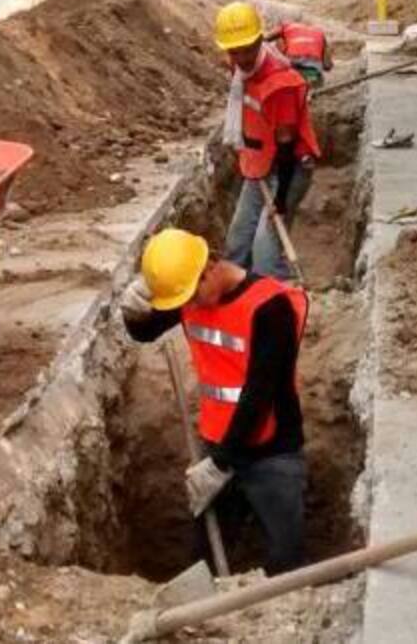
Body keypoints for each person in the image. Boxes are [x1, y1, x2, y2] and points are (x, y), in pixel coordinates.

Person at [120, 228, 309, 575]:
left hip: (272, 449)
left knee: (286, 558)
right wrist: (132, 311)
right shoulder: (193, 295)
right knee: (204, 555)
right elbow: (145, 332)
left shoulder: (270, 308)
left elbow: (260, 394)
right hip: (219, 443)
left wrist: (220, 464)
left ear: (209, 268)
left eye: (192, 294)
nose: (189, 306)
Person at [216, 2, 321, 280]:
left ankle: (279, 298)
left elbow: (287, 146)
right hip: (261, 162)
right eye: (234, 51)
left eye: (247, 50)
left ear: (260, 40)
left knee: (265, 254)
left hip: (290, 168)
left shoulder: (281, 86)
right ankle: (237, 297)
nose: (241, 58)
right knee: (237, 243)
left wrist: (281, 198)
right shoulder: (241, 69)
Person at [265, 21, 334, 90]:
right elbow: (327, 66)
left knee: (279, 41)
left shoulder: (286, 26)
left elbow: (263, 40)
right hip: (313, 74)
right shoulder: (320, 33)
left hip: (292, 70)